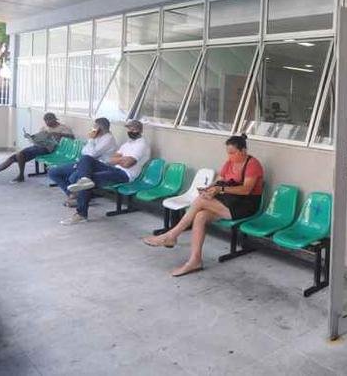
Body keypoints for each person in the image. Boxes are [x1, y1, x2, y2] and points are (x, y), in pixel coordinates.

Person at [143, 134, 264, 277]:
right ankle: (195, 260)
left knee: (201, 201)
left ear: (243, 150)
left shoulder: (253, 164)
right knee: (200, 216)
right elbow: (219, 181)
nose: (230, 156)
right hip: (230, 201)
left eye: (233, 153)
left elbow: (246, 189)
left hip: (245, 206)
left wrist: (220, 190)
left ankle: (172, 235)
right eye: (228, 153)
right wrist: (209, 189)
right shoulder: (229, 163)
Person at [59, 119, 150, 226]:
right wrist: (121, 159)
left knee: (84, 180)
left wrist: (119, 159)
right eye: (129, 128)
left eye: (134, 129)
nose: (130, 131)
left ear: (140, 130)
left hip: (125, 175)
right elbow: (111, 159)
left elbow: (128, 164)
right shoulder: (127, 144)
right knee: (87, 159)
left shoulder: (142, 144)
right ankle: (85, 179)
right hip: (115, 169)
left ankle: (81, 214)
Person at [0, 112, 73, 183]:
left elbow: (72, 137)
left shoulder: (62, 128)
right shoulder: (44, 128)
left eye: (48, 121)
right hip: (39, 146)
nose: (47, 123)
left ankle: (20, 176)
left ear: (54, 120)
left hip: (49, 149)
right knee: (13, 157)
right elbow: (39, 137)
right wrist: (32, 137)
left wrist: (58, 134)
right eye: (45, 121)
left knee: (20, 154)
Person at [48, 117, 118, 207]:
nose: (93, 128)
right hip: (84, 163)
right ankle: (73, 195)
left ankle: (80, 198)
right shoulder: (97, 137)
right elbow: (84, 151)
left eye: (95, 126)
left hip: (98, 166)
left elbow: (92, 154)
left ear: (101, 128)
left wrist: (91, 139)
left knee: (73, 177)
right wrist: (92, 141)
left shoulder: (108, 139)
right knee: (53, 172)